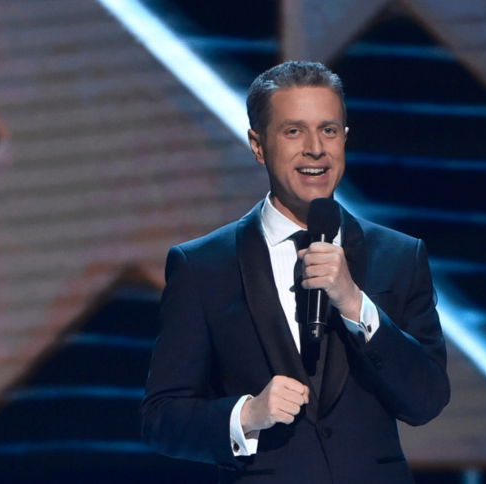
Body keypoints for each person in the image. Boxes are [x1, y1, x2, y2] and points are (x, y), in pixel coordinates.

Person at [141, 61, 450, 484]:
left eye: (328, 130)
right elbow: (161, 417)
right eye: (293, 131)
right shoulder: (201, 266)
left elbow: (427, 398)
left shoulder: (399, 256)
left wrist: (355, 305)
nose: (315, 149)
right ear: (258, 145)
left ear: (344, 138)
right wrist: (246, 415)